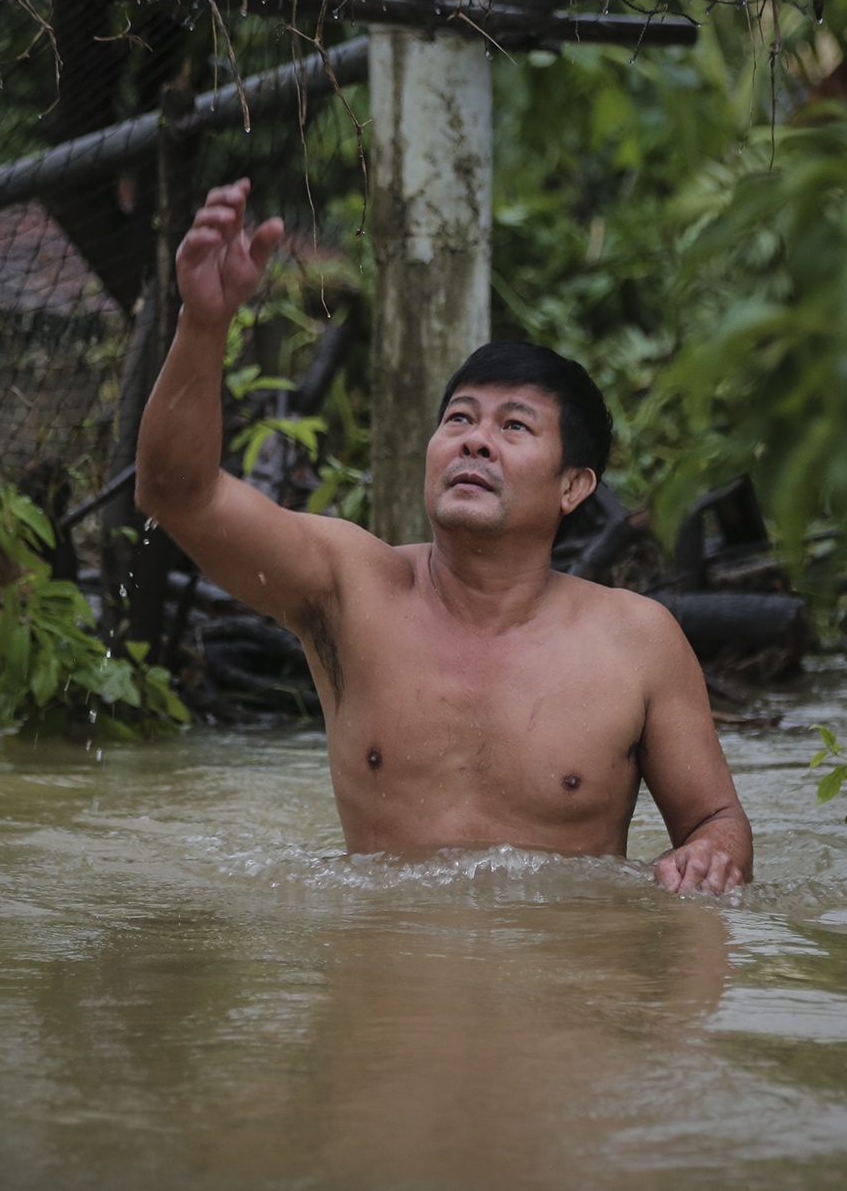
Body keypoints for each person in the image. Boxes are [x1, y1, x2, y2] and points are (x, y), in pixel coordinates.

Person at [136, 180, 753, 894]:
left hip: (564, 991)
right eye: (459, 420)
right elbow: (177, 495)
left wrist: (710, 854)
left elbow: (717, 819)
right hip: (390, 993)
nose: (476, 442)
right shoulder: (346, 588)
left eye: (514, 427)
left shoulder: (638, 640)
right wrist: (202, 324)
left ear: (573, 487)